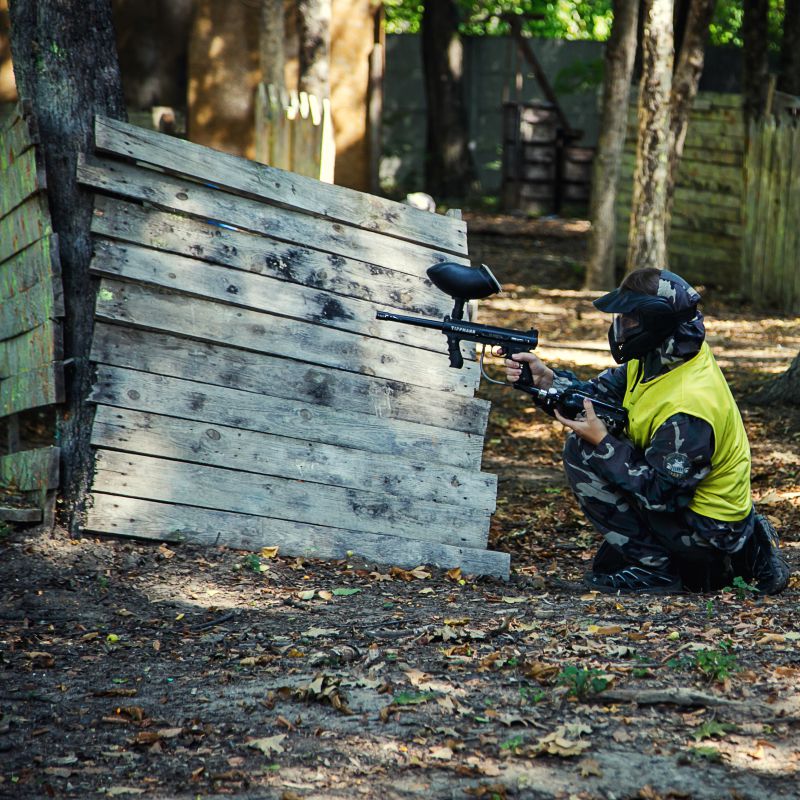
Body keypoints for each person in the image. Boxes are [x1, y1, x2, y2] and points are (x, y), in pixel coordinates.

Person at [504, 267, 790, 595]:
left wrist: (604, 443)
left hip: (707, 533)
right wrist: (547, 382)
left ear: (656, 321)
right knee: (596, 448)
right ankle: (722, 554)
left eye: (629, 319)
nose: (621, 327)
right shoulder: (662, 356)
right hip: (694, 509)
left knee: (584, 449)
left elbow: (661, 496)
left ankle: (658, 571)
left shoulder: (688, 406)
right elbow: (597, 399)